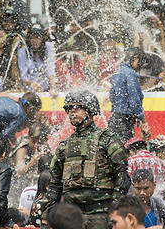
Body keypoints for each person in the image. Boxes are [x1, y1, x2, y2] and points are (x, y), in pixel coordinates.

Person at [43, 90, 129, 229]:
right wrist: (46, 219)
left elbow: (122, 176)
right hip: (72, 215)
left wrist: (114, 210)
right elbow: (55, 185)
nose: (72, 112)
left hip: (101, 212)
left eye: (77, 108)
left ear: (90, 110)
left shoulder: (107, 139)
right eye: (69, 109)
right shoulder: (64, 146)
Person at [108, 47, 149, 144]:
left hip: (114, 119)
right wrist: (143, 120)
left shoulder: (117, 71)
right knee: (126, 148)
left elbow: (112, 96)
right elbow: (134, 101)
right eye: (141, 62)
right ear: (136, 58)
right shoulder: (130, 74)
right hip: (125, 122)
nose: (140, 67)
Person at [17, 23, 56, 93]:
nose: (35, 40)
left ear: (42, 38)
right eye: (32, 37)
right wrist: (32, 84)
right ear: (29, 38)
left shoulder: (49, 47)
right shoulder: (22, 52)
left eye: (37, 37)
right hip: (29, 90)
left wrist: (52, 87)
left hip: (47, 88)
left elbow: (51, 69)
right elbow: (23, 76)